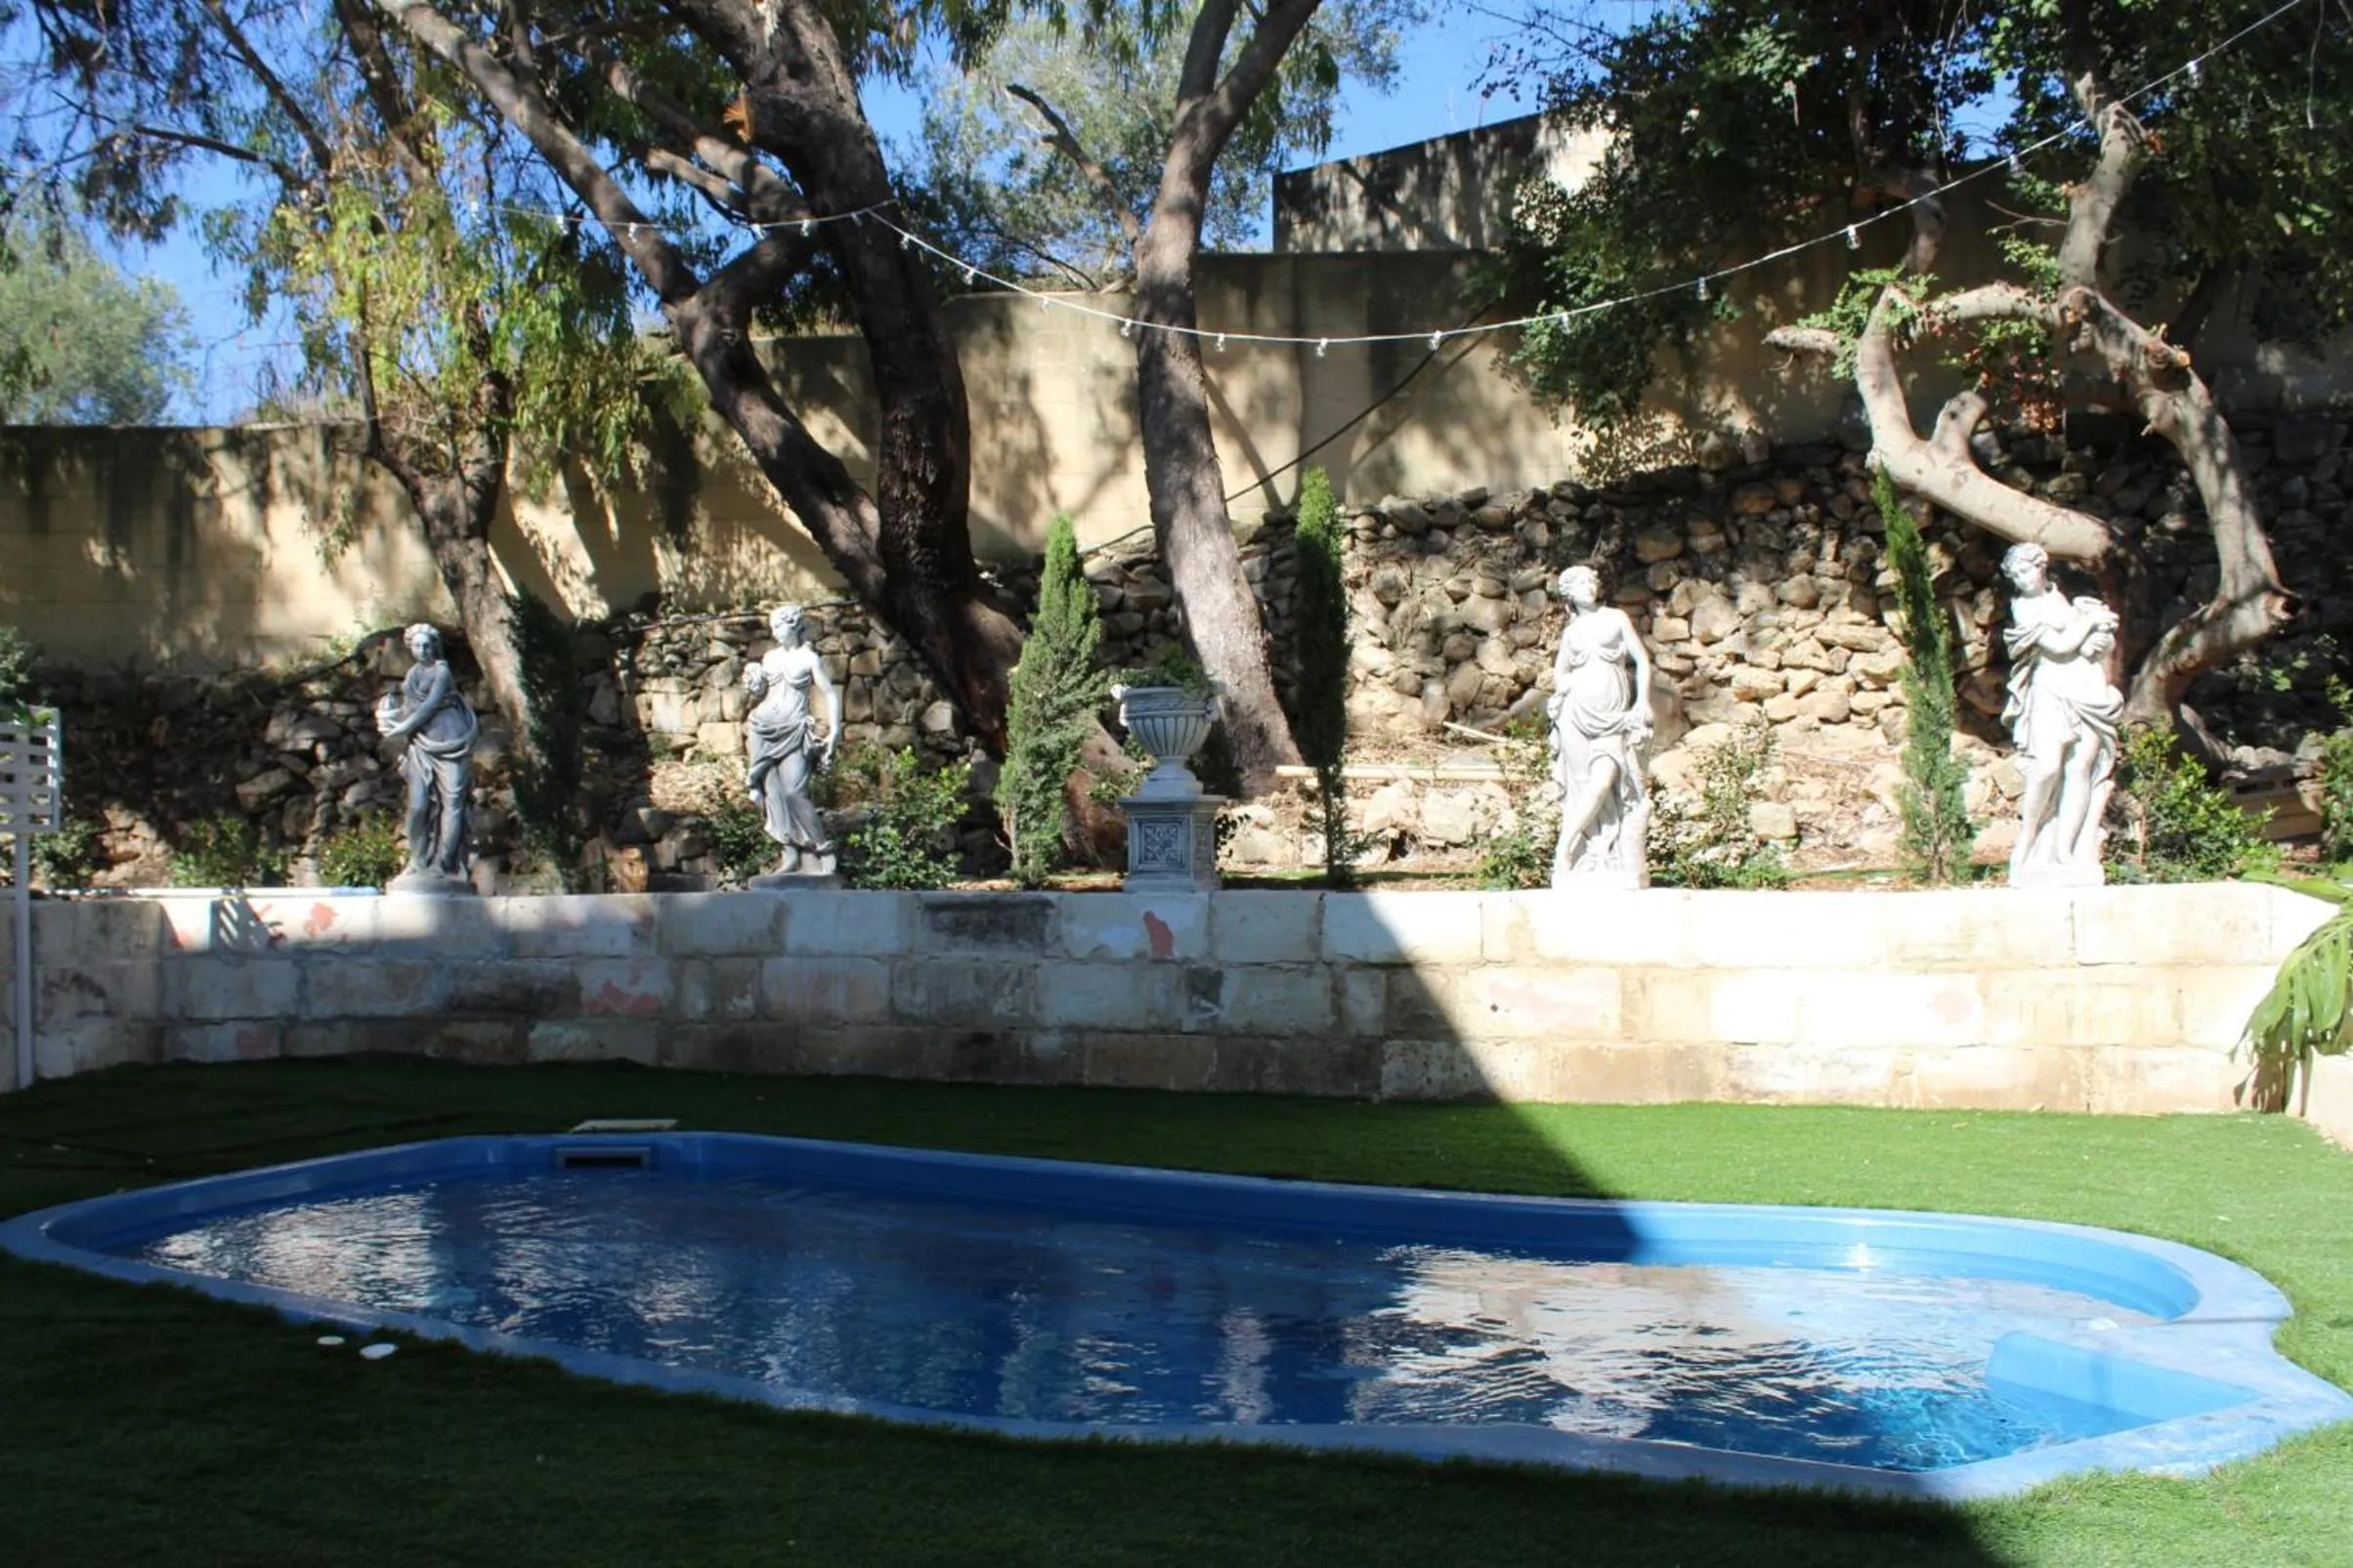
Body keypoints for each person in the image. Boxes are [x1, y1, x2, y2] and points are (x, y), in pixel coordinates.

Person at [2000, 541, 2124, 885]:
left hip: (2087, 687)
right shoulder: (2024, 606)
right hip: (2051, 689)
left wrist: (2101, 638)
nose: (2021, 579)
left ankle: (2065, 850)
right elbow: (2059, 646)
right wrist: (2089, 622)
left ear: (2041, 567)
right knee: (2047, 767)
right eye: (2015, 575)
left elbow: (2100, 646)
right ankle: (2028, 838)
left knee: (2080, 767)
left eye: (2025, 571)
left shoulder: (2066, 601)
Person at [1547, 564, 1654, 887]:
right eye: (1581, 583)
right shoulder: (1572, 632)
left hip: (1613, 715)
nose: (1589, 586)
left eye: (1591, 581)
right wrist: (1563, 685)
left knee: (1603, 781)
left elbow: (1642, 660)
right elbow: (1559, 671)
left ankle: (1566, 848)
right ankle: (1585, 855)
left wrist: (1642, 701)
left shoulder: (1615, 618)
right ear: (1569, 593)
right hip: (1575, 713)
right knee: (1580, 784)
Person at [375, 623, 479, 884]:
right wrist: (389, 716)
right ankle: (418, 860)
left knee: (452, 804)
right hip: (421, 744)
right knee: (418, 806)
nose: (422, 650)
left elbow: (429, 707)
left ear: (434, 647)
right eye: (417, 646)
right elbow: (411, 708)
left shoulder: (442, 671)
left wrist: (402, 728)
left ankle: (445, 865)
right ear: (410, 648)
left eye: (427, 645)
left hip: (450, 742)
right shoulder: (412, 674)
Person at [745, 604, 840, 874]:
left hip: (795, 728)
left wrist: (835, 730)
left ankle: (823, 848)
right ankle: (790, 854)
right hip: (763, 727)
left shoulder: (809, 659)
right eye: (772, 627)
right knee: (773, 793)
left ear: (794, 625)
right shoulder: (769, 658)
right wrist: (753, 680)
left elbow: (829, 693)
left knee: (794, 792)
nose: (775, 632)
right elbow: (760, 691)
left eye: (779, 626)